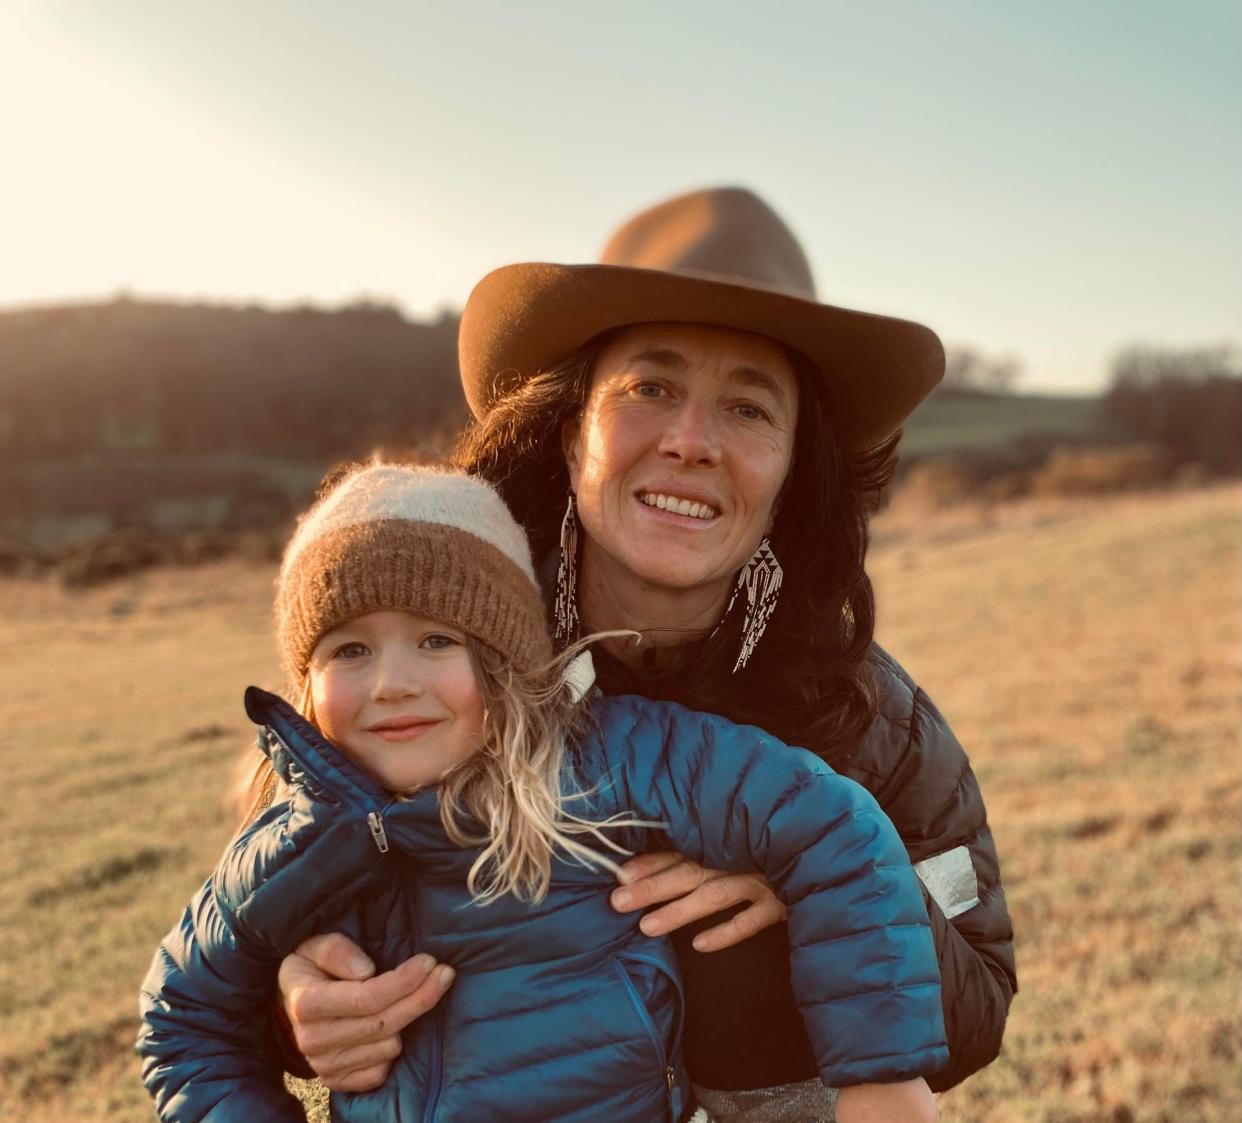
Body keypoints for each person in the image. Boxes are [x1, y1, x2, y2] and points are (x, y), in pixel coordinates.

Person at [277, 187, 1018, 1121]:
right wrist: (295, 1000)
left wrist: (822, 897)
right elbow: (267, 906)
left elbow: (980, 999)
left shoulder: (868, 716)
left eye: (749, 408)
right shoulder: (428, 667)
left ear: (796, 467)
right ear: (571, 423)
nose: (691, 441)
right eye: (651, 388)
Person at [137, 463, 947, 1123]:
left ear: (503, 659)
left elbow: (832, 824)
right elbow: (182, 1021)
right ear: (305, 687)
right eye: (349, 649)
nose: (391, 683)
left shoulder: (609, 760)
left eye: (435, 639)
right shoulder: (288, 846)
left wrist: (882, 1077)